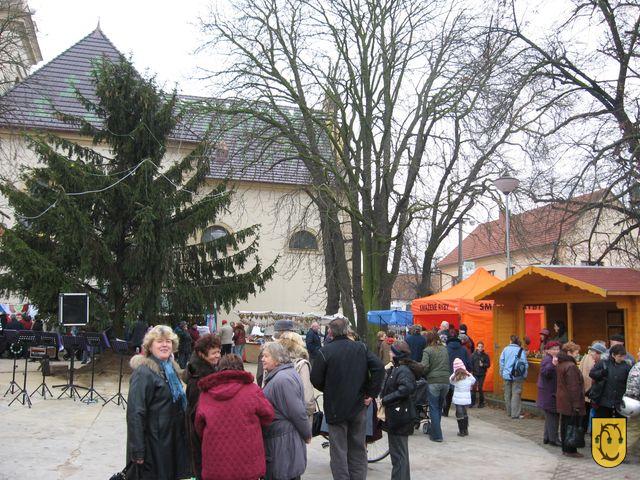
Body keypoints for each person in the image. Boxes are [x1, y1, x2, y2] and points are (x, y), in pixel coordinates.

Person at [310, 318, 384, 480]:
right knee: (357, 447)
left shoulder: (326, 351)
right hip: (357, 405)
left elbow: (315, 379)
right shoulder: (360, 348)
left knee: (339, 450)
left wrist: (330, 390)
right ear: (347, 330)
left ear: (330, 332)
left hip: (337, 407)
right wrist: (370, 392)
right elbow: (379, 367)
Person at [126, 325, 191, 480]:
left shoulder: (170, 369)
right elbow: (135, 413)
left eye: (168, 341)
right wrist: (138, 450)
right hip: (154, 445)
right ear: (150, 346)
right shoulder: (144, 372)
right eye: (159, 341)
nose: (164, 345)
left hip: (172, 441)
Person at [195, 354, 274, 480]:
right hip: (247, 462)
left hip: (216, 462)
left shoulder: (206, 394)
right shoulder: (252, 390)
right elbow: (268, 415)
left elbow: (199, 426)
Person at [262, 342, 312, 480]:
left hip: (283, 445)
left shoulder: (282, 379)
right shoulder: (283, 375)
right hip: (283, 442)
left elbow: (297, 412)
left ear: (277, 359)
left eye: (266, 356)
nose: (262, 359)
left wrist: (307, 434)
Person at [380, 341, 423, 480]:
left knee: (399, 455)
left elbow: (406, 389)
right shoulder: (398, 368)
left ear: (397, 354)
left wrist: (386, 399)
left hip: (400, 416)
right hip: (398, 415)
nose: (389, 353)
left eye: (391, 351)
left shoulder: (403, 370)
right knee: (399, 455)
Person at [183, 334, 221, 479]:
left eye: (219, 352)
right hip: (199, 433)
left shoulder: (207, 370)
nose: (218, 356)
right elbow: (195, 411)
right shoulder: (199, 378)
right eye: (214, 353)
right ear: (201, 354)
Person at [278, 331, 316, 427]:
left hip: (277, 416)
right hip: (297, 418)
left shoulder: (274, 363)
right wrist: (310, 411)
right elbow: (307, 398)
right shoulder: (301, 365)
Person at [556, 342, 585, 458]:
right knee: (571, 425)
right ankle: (570, 449)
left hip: (563, 399)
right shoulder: (571, 366)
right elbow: (573, 387)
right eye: (576, 353)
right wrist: (576, 404)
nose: (577, 355)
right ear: (569, 353)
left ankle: (565, 448)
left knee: (565, 424)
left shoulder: (561, 364)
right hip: (570, 401)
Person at [420, 331, 450, 442]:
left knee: (433, 408)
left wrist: (422, 373)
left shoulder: (427, 350)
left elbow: (425, 366)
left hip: (433, 381)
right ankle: (434, 430)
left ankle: (437, 435)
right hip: (446, 381)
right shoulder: (445, 349)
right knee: (439, 407)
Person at [590, 343, 632, 418]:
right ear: (613, 355)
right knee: (602, 422)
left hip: (619, 402)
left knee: (619, 423)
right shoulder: (603, 363)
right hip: (603, 402)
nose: (622, 358)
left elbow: (630, 382)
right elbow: (592, 374)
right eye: (620, 356)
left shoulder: (627, 366)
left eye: (623, 356)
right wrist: (602, 373)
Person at [536, 341, 560, 446]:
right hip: (549, 393)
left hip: (548, 392)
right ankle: (553, 439)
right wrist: (553, 365)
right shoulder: (548, 360)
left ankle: (547, 437)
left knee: (550, 417)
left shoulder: (552, 359)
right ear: (548, 350)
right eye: (554, 349)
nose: (556, 351)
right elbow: (545, 372)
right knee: (553, 416)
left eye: (557, 349)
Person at [579, 341, 606, 432]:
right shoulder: (599, 362)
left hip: (587, 390)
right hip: (592, 391)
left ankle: (586, 430)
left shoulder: (585, 357)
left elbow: (581, 371)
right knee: (591, 413)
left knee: (587, 412)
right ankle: (591, 431)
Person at [499, 335, 528, 419]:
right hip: (517, 375)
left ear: (510, 341)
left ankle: (509, 412)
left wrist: (502, 372)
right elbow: (524, 364)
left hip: (506, 375)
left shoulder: (505, 349)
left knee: (507, 394)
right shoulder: (521, 350)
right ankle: (515, 414)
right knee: (516, 394)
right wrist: (525, 375)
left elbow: (501, 362)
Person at [444, 331, 470, 417]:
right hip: (461, 375)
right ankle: (460, 413)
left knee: (448, 394)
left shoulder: (446, 349)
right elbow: (468, 363)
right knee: (459, 394)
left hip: (448, 374)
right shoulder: (464, 349)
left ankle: (445, 411)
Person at [450, 358, 476, 437]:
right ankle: (466, 430)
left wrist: (454, 372)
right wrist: (467, 372)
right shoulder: (468, 376)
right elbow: (474, 380)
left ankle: (461, 431)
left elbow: (450, 381)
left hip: (458, 400)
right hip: (466, 399)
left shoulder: (455, 377)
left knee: (459, 414)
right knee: (465, 413)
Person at [470, 341, 490, 408]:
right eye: (479, 347)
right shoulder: (473, 355)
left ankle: (481, 403)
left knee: (480, 388)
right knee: (474, 387)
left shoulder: (485, 355)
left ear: (483, 347)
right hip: (475, 373)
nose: (480, 348)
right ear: (477, 347)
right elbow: (471, 364)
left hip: (482, 374)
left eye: (481, 347)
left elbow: (488, 364)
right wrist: (471, 371)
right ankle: (472, 403)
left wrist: (483, 365)